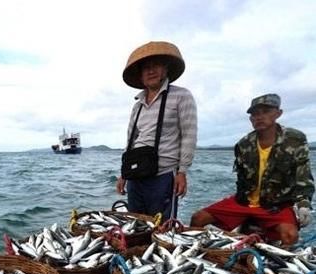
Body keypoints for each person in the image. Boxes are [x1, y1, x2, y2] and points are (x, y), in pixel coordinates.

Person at [190, 93, 313, 246]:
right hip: (244, 202)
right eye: (255, 114)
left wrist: (304, 205)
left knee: (290, 235)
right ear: (250, 119)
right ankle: (199, 253)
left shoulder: (295, 140)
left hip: (276, 206)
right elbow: (241, 180)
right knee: (198, 218)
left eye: (266, 111)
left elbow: (303, 177)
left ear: (278, 113)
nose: (259, 117)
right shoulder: (243, 144)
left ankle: (276, 265)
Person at [116, 41, 197, 219]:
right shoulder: (137, 105)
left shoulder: (182, 96)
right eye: (145, 68)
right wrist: (123, 174)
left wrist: (182, 172)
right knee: (136, 225)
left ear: (165, 70)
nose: (150, 71)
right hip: (135, 175)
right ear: (140, 76)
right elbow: (130, 140)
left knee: (162, 226)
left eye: (156, 65)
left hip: (164, 175)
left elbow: (189, 136)